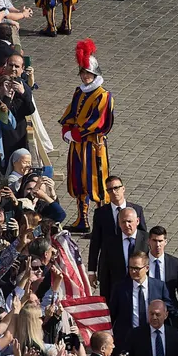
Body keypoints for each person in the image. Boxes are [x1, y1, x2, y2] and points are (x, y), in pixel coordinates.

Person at [59, 39, 114, 234]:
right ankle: (82, 220)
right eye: (82, 73)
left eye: (87, 73)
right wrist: (66, 128)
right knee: (78, 182)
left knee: (97, 183)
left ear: (95, 73)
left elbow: (97, 123)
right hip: (77, 145)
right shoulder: (79, 92)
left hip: (93, 146)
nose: (84, 77)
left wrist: (75, 133)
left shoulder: (103, 95)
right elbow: (71, 113)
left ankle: (101, 225)